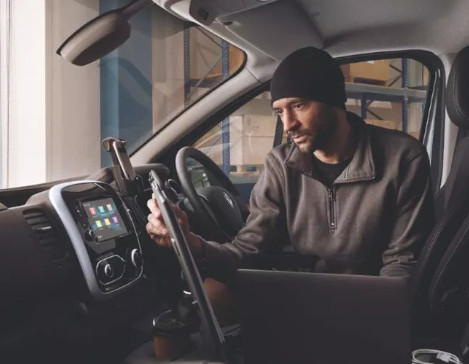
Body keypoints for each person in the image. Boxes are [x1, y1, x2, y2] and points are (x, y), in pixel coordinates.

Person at [146, 46, 434, 289]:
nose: (288, 125)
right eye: (280, 112)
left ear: (333, 102)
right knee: (211, 294)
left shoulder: (402, 158)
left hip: (368, 301)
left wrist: (372, 319)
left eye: (298, 106)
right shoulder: (281, 165)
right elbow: (248, 252)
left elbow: (402, 263)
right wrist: (190, 243)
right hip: (300, 294)